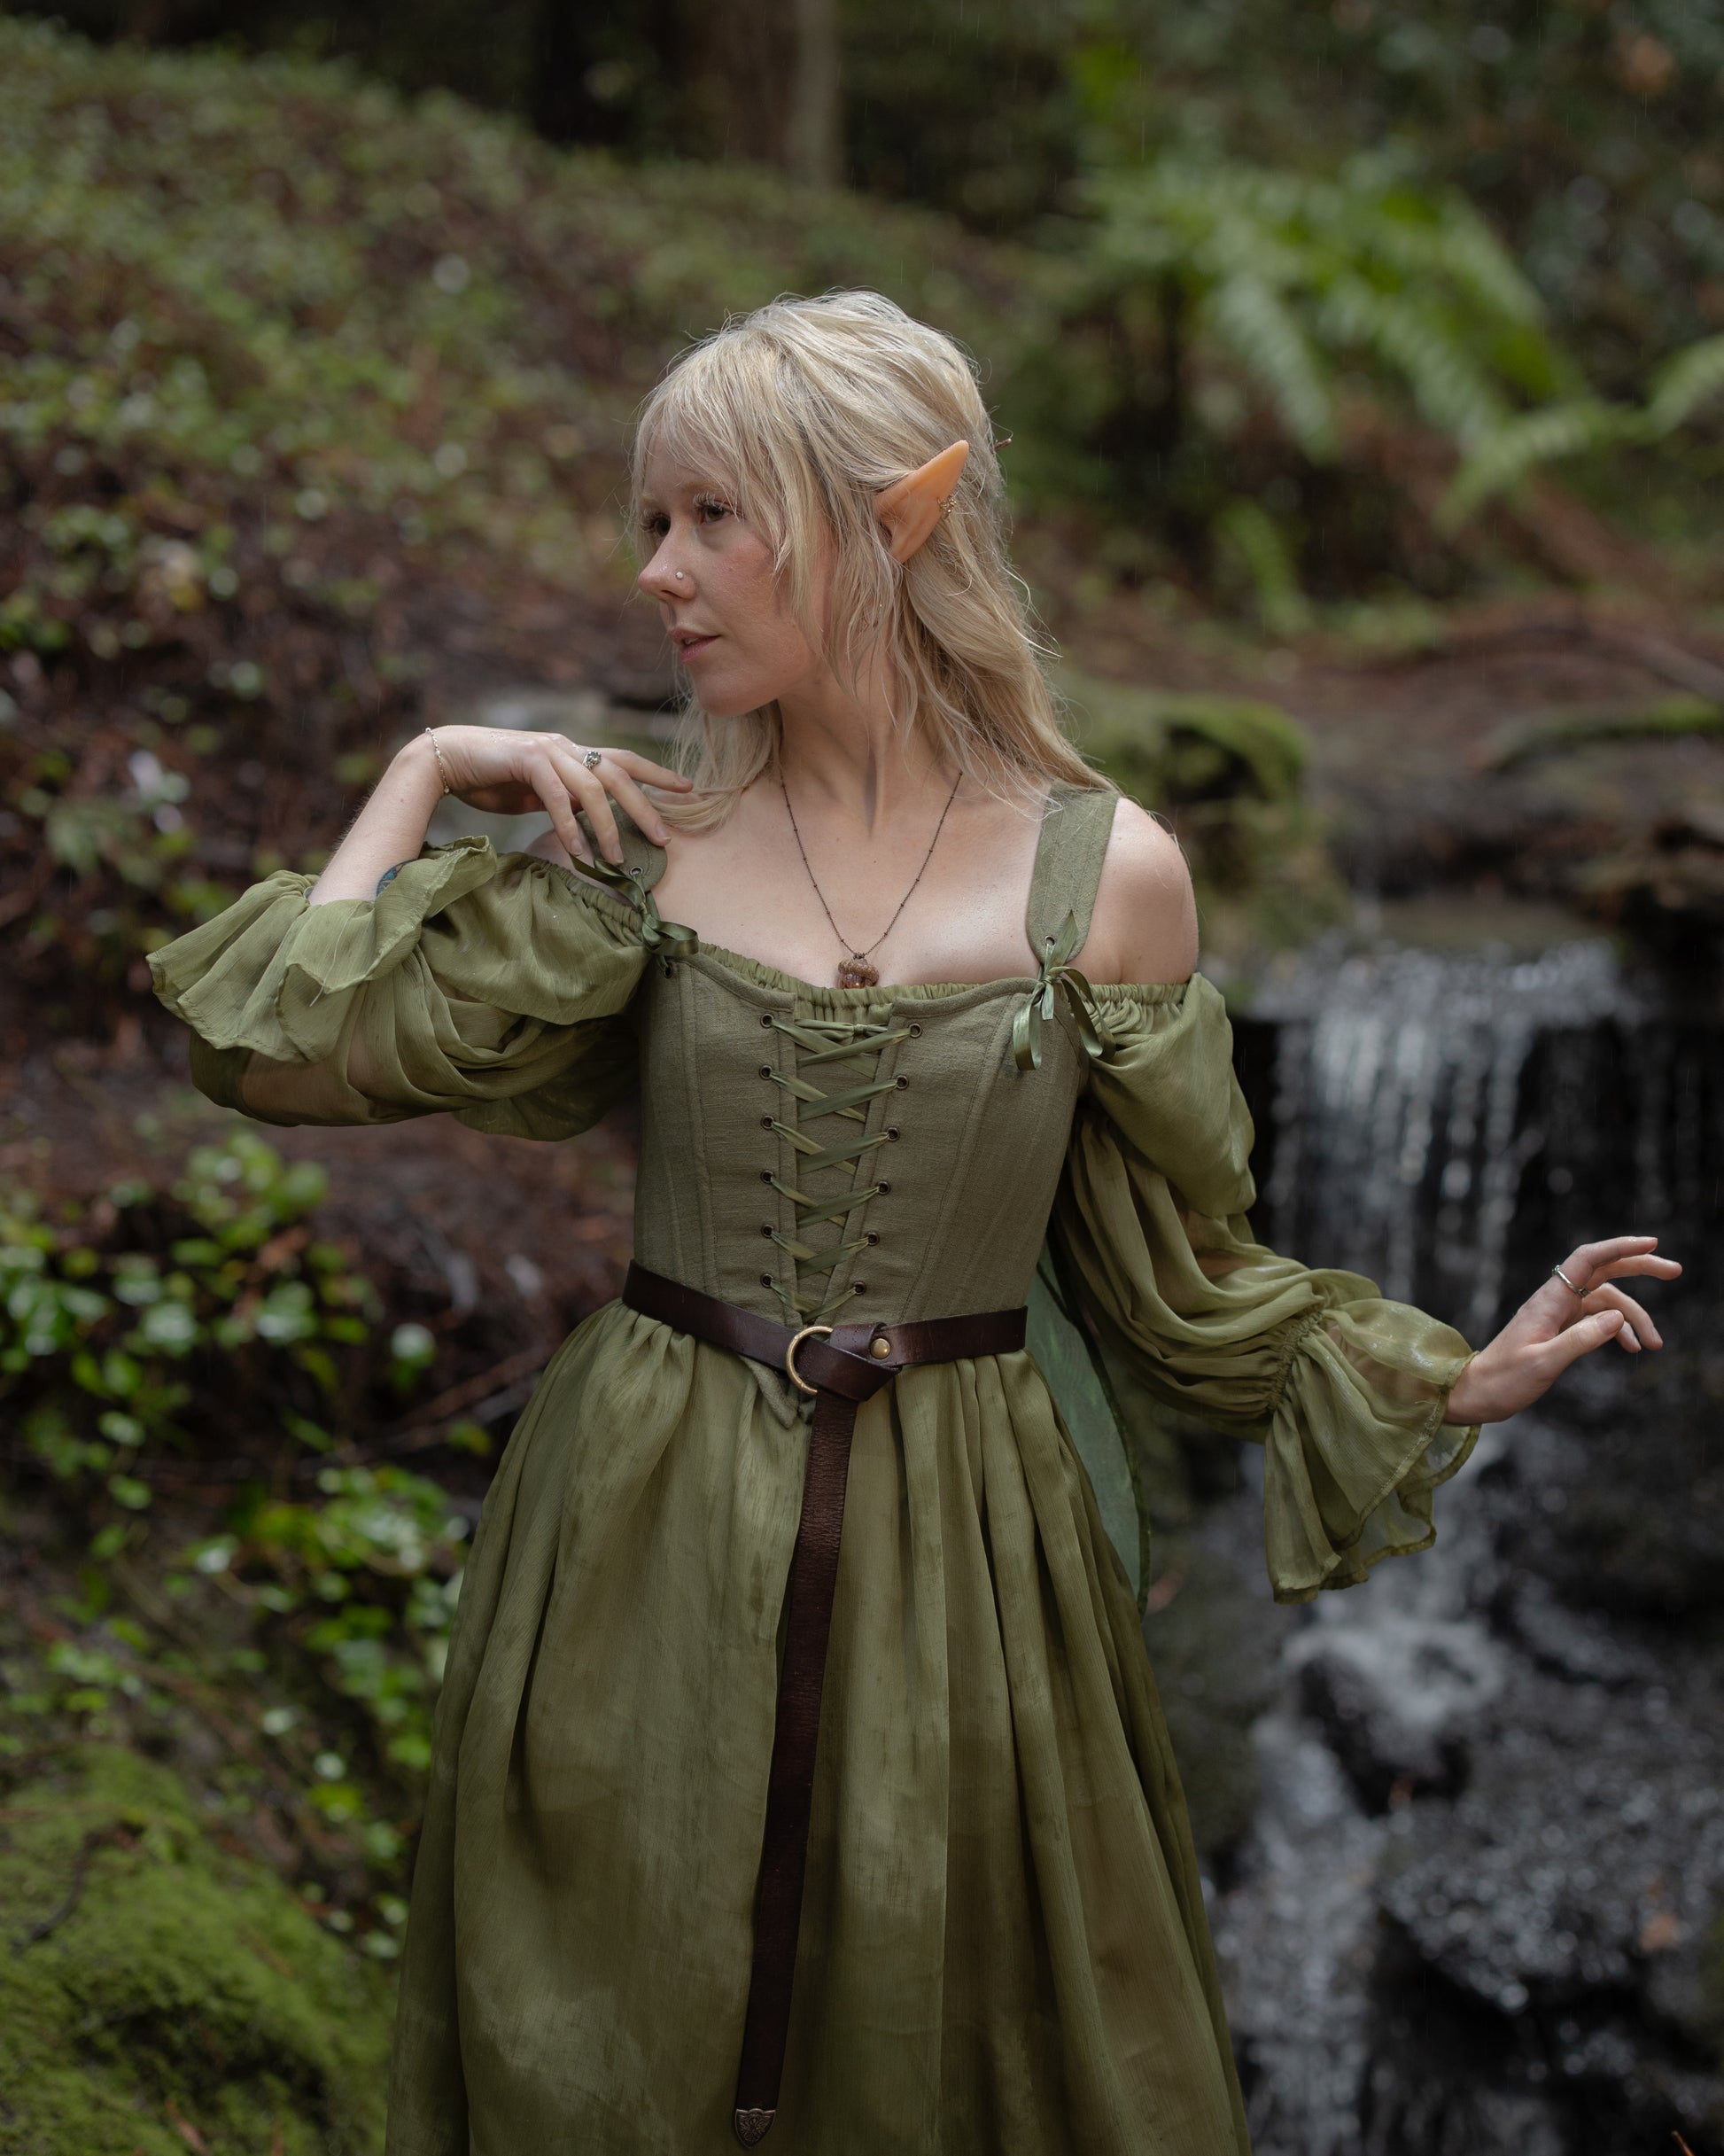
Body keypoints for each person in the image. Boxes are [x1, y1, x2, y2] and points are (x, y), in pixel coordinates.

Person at [149, 291, 1679, 2156]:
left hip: (973, 1561)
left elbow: (1170, 1276)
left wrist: (1449, 1374)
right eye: (650, 520)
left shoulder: (1106, 875)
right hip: (641, 1531)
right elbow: (282, 1051)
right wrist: (417, 779)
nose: (658, 571)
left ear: (896, 514)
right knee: (611, 2036)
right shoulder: (647, 849)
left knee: (960, 2057)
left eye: (713, 515)